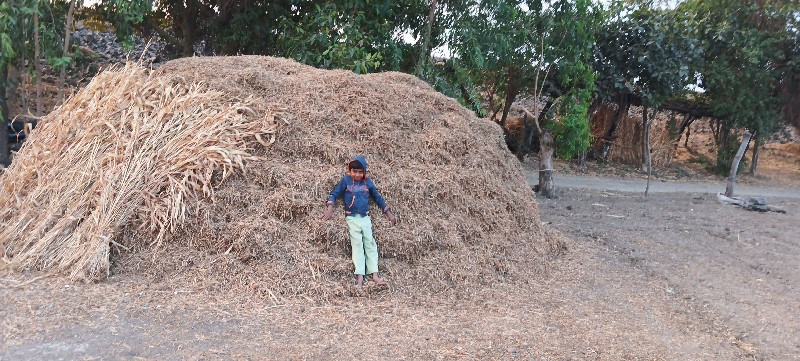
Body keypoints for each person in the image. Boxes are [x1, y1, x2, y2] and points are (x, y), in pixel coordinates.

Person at [322, 156, 396, 288]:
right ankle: (360, 277)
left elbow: (378, 197)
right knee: (357, 246)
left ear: (364, 172)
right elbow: (335, 193)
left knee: (370, 244)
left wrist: (388, 212)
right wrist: (330, 208)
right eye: (354, 171)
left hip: (365, 218)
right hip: (351, 218)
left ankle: (374, 275)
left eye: (360, 172)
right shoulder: (346, 181)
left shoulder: (367, 183)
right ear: (349, 171)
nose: (357, 174)